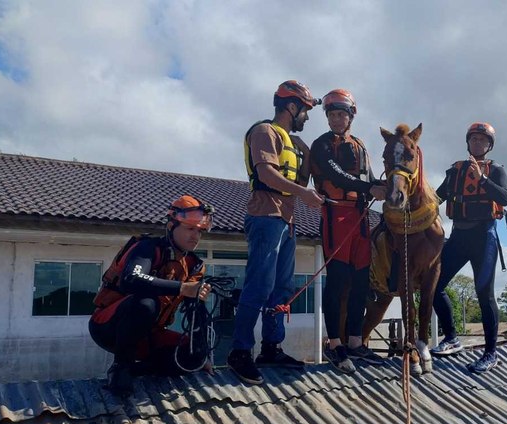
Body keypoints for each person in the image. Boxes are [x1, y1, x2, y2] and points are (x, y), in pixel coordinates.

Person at [228, 80, 324, 385]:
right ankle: (240, 351)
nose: (307, 118)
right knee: (260, 284)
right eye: (306, 111)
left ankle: (271, 347)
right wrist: (303, 193)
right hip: (265, 217)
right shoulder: (264, 132)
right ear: (291, 107)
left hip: (287, 221)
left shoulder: (295, 144)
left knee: (281, 288)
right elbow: (267, 173)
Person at [89, 195, 215, 396]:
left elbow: (195, 311)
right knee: (146, 303)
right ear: (172, 225)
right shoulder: (148, 248)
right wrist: (182, 287)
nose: (196, 236)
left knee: (193, 358)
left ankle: (139, 370)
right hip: (109, 326)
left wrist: (202, 355)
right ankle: (121, 369)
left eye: (200, 231)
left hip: (150, 334)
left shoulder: (194, 265)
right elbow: (131, 278)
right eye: (190, 229)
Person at [309, 89, 386, 374]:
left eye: (342, 114)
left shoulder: (360, 145)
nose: (336, 119)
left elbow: (368, 178)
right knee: (338, 281)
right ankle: (334, 344)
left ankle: (356, 342)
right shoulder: (322, 145)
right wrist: (369, 188)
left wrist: (386, 185)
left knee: (360, 282)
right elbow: (334, 175)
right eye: (332, 115)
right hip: (336, 215)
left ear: (351, 116)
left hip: (361, 216)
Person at [431, 122, 507, 373]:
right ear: (468, 143)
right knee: (433, 285)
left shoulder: (496, 170)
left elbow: (505, 197)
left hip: (484, 237)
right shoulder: (455, 170)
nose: (477, 144)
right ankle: (452, 339)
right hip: (459, 237)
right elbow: (436, 198)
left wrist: (482, 178)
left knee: (485, 296)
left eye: (482, 140)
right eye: (474, 140)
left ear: (489, 146)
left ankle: (490, 353)